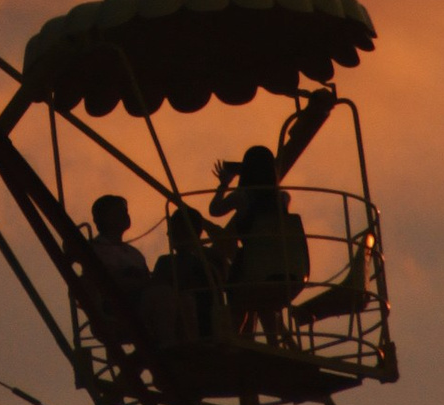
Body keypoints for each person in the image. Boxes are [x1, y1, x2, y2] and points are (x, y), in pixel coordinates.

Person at [216, 143, 311, 346]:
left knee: (240, 295)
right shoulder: (283, 198)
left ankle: (234, 340)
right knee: (267, 303)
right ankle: (275, 343)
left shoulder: (241, 197)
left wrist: (224, 184)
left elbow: (215, 210)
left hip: (254, 269)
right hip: (286, 268)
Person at [151, 202, 227, 357]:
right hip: (213, 327)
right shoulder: (215, 258)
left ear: (183, 231)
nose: (168, 233)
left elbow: (157, 292)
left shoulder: (168, 263)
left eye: (172, 229)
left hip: (188, 329)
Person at [82, 192, 153, 338]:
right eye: (120, 211)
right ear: (105, 217)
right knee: (161, 298)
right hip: (117, 305)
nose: (125, 215)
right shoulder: (95, 250)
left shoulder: (134, 253)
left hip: (141, 299)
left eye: (125, 211)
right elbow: (106, 282)